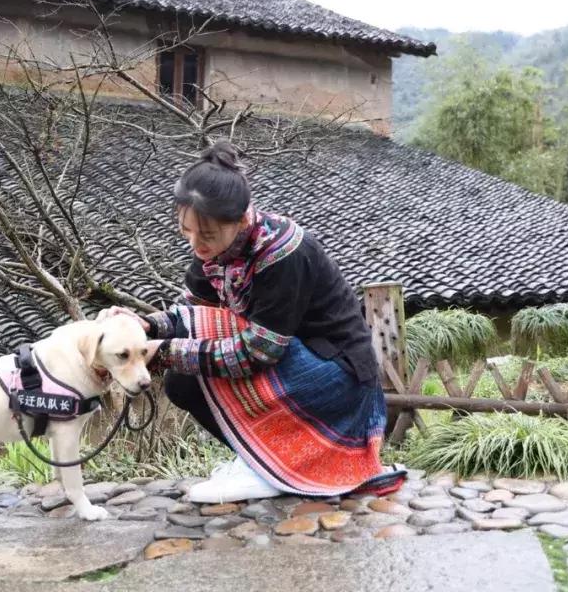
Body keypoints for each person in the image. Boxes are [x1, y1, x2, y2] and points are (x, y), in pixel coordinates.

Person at [103, 141, 405, 504]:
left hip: (338, 376)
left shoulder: (283, 253)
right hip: (290, 359)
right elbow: (191, 312)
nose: (196, 244)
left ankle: (266, 470)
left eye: (206, 235)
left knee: (192, 361)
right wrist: (143, 327)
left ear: (242, 220)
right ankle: (258, 460)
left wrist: (165, 351)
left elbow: (259, 352)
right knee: (182, 383)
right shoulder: (215, 250)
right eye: (187, 231)